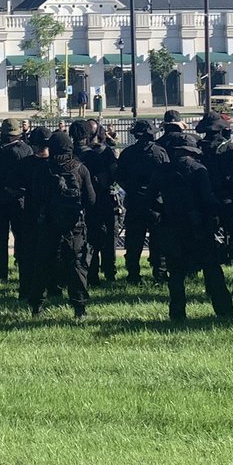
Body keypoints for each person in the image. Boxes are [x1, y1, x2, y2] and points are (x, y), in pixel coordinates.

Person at [154, 122, 233, 321]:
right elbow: (207, 200)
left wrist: (165, 211)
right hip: (199, 228)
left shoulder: (164, 171)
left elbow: (151, 199)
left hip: (172, 226)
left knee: (176, 274)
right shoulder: (199, 170)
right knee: (212, 270)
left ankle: (177, 313)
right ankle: (224, 310)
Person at [27, 130, 94, 319]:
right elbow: (91, 199)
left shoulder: (43, 169)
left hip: (49, 223)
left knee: (43, 264)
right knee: (77, 265)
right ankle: (79, 308)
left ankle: (36, 306)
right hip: (74, 226)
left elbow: (34, 197)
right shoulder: (80, 168)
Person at [197, 112, 233, 297]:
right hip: (229, 202)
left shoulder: (197, 149)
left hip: (206, 203)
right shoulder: (229, 148)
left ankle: (213, 286)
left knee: (207, 247)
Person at [116, 119, 169, 284]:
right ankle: (159, 275)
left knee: (133, 241)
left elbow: (119, 177)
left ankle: (133, 275)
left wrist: (131, 189)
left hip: (134, 202)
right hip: (156, 203)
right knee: (158, 241)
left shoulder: (128, 153)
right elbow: (168, 176)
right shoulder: (160, 153)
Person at [0, 119, 32, 283]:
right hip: (21, 197)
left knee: (0, 237)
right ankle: (24, 267)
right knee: (22, 236)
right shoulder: (26, 149)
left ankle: (1, 273)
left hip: (1, 197)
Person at [72, 119, 119, 285]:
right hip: (98, 200)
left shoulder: (70, 155)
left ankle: (87, 273)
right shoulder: (98, 155)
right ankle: (105, 272)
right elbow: (108, 178)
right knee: (101, 239)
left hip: (74, 203)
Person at [15, 126, 52, 301]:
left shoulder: (24, 164)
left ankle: (26, 288)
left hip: (29, 212)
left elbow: (12, 187)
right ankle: (53, 287)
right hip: (52, 214)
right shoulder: (55, 164)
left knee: (28, 254)